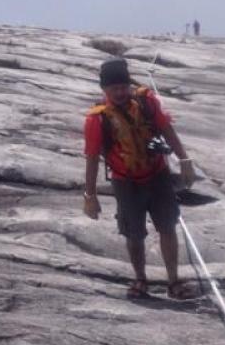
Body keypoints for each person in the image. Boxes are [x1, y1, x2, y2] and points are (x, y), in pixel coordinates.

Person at [82, 59, 199, 299]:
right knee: (133, 233)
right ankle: (140, 279)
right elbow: (92, 157)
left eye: (123, 87)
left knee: (167, 226)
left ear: (128, 85)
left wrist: (184, 160)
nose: (120, 92)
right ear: (104, 90)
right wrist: (90, 196)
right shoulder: (97, 119)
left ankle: (174, 282)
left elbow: (167, 130)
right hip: (125, 182)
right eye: (113, 88)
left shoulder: (147, 102)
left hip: (157, 175)